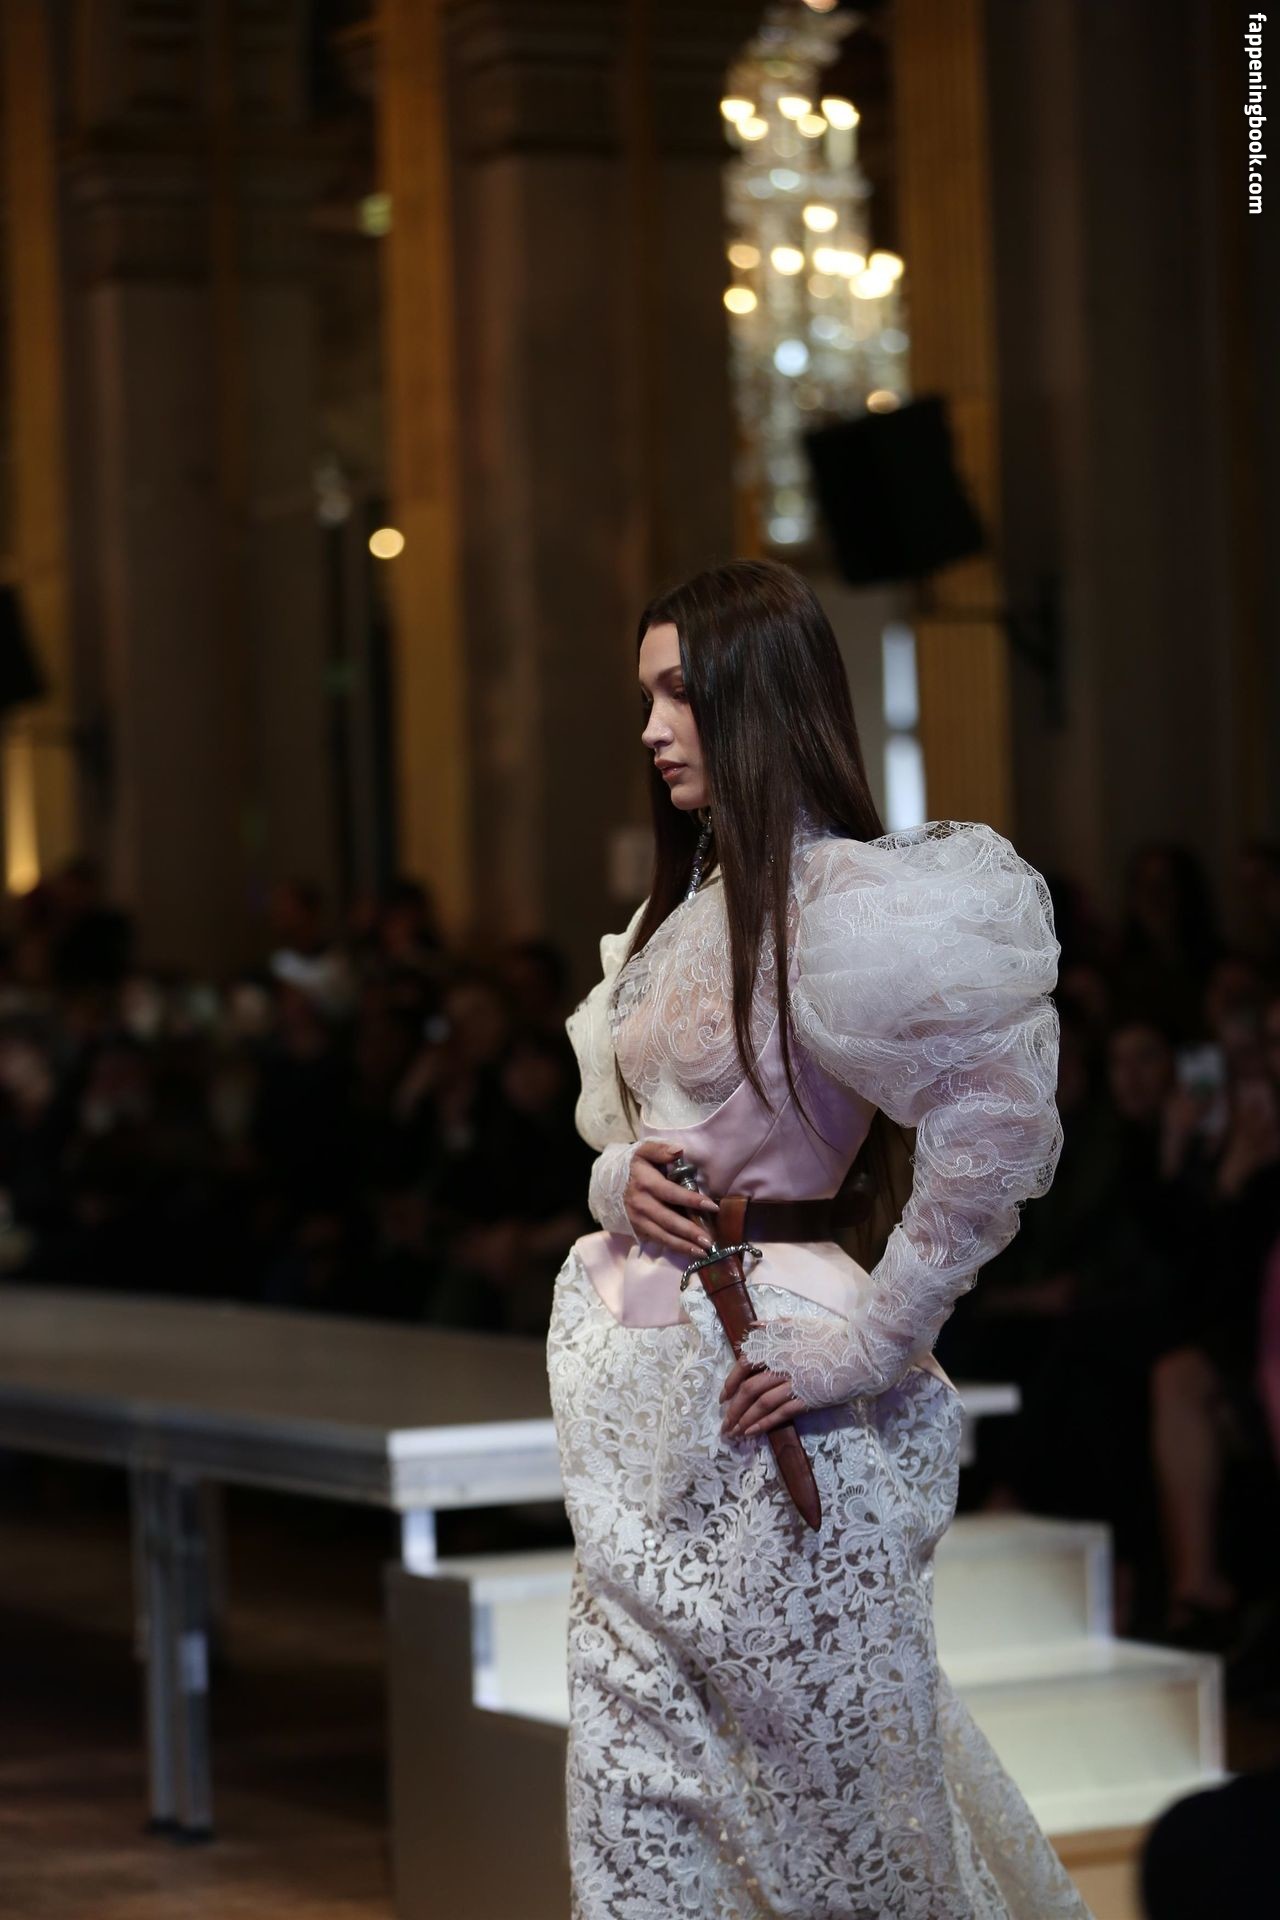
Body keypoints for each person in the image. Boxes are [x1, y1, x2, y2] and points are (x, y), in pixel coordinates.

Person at [546, 559, 1091, 1919]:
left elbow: (995, 1122)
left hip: (776, 1407)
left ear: (755, 696)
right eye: (646, 696)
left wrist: (875, 1340)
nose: (652, 728)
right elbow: (631, 1132)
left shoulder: (851, 906)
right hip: (643, 1409)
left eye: (679, 693)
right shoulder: (680, 916)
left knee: (841, 1839)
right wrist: (619, 1183)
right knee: (637, 1828)